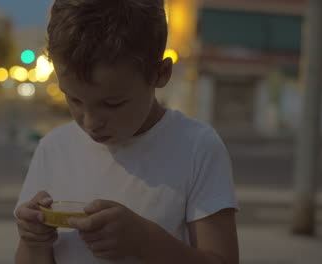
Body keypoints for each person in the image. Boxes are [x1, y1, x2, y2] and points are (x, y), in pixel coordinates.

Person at [14, 0, 239, 263]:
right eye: (74, 100)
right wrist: (34, 242)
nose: (90, 122)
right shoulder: (53, 149)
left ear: (160, 74)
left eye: (112, 103)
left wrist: (145, 241)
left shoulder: (197, 147)